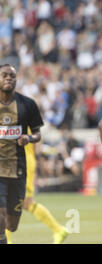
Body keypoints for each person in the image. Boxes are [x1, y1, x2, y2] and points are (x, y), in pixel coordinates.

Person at [0, 64, 44, 244]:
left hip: (18, 171)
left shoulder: (28, 104)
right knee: (0, 220)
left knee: (12, 225)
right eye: (4, 75)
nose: (8, 78)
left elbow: (38, 134)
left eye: (12, 76)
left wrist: (29, 138)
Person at [5, 128, 68, 244]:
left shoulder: (21, 114)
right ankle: (58, 230)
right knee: (15, 201)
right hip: (16, 162)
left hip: (22, 163)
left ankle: (58, 229)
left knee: (23, 202)